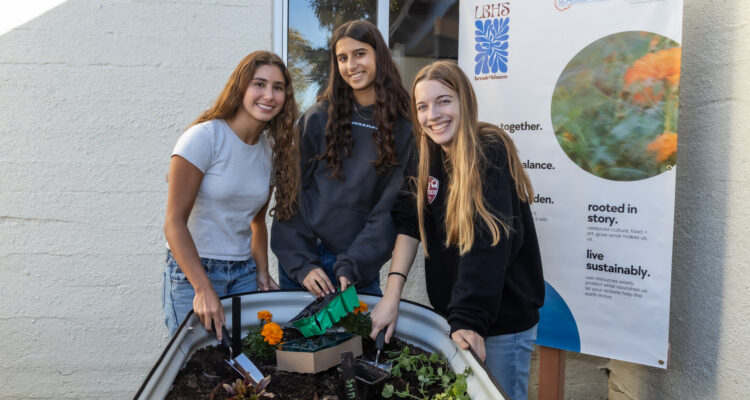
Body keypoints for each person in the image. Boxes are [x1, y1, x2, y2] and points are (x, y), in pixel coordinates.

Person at [369, 60, 545, 400]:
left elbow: (487, 245)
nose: (433, 114)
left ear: (465, 100)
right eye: (423, 106)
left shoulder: (490, 150)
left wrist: (468, 319)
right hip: (458, 320)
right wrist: (392, 296)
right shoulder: (424, 154)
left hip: (499, 325)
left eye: (444, 101)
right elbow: (409, 223)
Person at [271, 20, 414, 297]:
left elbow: (389, 210)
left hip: (356, 269)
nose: (351, 65)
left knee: (353, 343)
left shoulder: (404, 128)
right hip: (304, 266)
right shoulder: (318, 117)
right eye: (342, 58)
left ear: (379, 56)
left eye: (360, 54)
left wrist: (353, 265)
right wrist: (301, 264)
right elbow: (290, 192)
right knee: (292, 341)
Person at [162, 51, 299, 339]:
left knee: (241, 366)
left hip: (243, 274)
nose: (269, 95)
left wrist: (261, 271)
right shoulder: (204, 138)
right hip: (194, 273)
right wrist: (202, 288)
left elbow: (257, 222)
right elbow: (174, 223)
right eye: (259, 84)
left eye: (278, 87)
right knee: (196, 370)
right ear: (240, 87)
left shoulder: (269, 153)